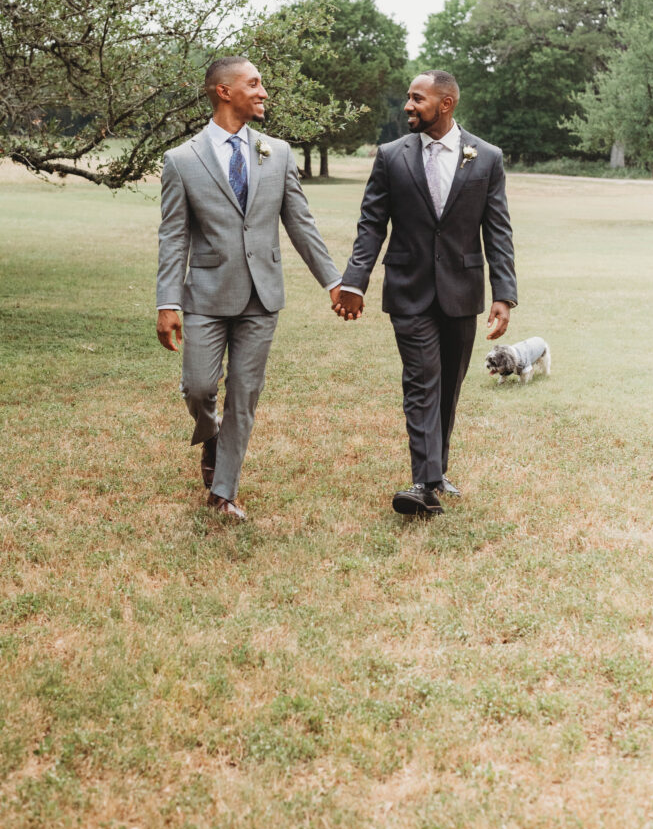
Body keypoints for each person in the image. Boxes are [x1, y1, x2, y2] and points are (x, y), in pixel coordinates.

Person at [156, 56, 341, 521]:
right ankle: (211, 432)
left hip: (263, 297)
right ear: (224, 91)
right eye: (254, 84)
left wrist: (334, 282)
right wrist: (168, 300)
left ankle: (224, 492)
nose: (263, 92)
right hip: (206, 296)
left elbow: (300, 222)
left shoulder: (277, 153)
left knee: (245, 394)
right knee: (199, 389)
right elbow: (173, 235)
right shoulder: (182, 160)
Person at [334, 70, 517, 517]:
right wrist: (354, 282)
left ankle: (436, 472)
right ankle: (422, 484)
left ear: (446, 104)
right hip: (408, 290)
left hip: (463, 290)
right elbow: (371, 224)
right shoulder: (391, 156)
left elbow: (498, 231)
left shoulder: (486, 158)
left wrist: (504, 293)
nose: (408, 106)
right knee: (421, 382)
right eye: (408, 98)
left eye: (417, 99)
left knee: (448, 386)